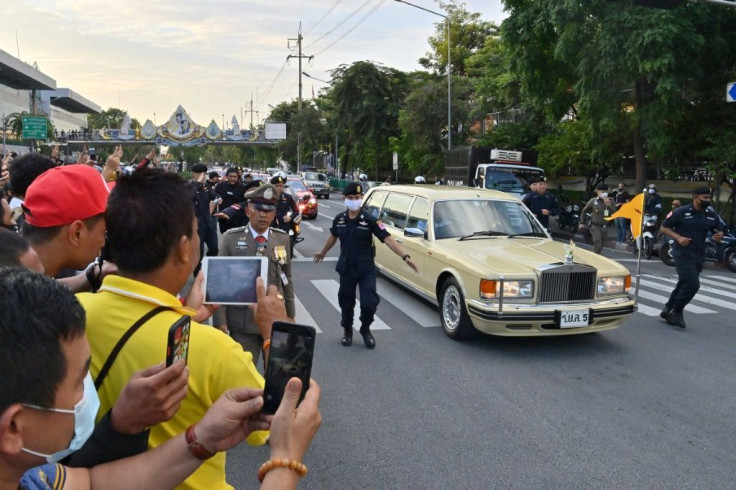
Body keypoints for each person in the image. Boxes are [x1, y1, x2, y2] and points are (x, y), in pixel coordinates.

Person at [0, 267, 322, 490]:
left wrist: (202, 438)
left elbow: (94, 483)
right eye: (79, 380)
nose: (88, 392)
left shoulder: (32, 476)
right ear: (14, 427)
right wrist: (285, 460)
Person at [77, 169, 290, 489]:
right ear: (184, 249)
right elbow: (283, 421)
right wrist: (276, 333)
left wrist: (187, 316)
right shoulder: (215, 350)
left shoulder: (68, 313)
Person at [313, 182, 418, 349]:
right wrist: (323, 252)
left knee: (369, 303)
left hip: (365, 269)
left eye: (357, 197)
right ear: (344, 198)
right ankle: (347, 330)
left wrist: (405, 256)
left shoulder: (371, 220)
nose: (354, 200)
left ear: (361, 198)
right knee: (346, 302)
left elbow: (388, 239)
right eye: (350, 198)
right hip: (347, 268)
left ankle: (365, 328)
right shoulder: (339, 219)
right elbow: (333, 236)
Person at [214, 184, 295, 365]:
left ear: (275, 214)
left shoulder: (282, 239)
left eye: (268, 210)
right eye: (258, 209)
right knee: (242, 376)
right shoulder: (231, 239)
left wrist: (290, 314)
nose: (263, 214)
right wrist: (220, 320)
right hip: (242, 323)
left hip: (275, 320)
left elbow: (286, 278)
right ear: (247, 211)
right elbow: (220, 282)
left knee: (275, 376)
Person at [659, 187, 725, 329]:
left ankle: (667, 309)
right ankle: (677, 311)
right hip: (682, 253)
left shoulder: (710, 214)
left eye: (709, 197)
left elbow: (718, 230)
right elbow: (664, 227)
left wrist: (719, 235)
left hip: (698, 254)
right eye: (705, 198)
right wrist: (678, 237)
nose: (708, 200)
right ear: (696, 197)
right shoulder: (681, 212)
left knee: (684, 282)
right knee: (693, 284)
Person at [190, 163, 220, 264]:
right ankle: (198, 273)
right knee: (199, 251)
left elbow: (215, 196)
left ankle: (207, 265)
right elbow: (190, 196)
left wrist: (218, 199)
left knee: (214, 247)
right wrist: (197, 183)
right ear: (194, 174)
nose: (202, 176)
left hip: (208, 222)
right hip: (196, 224)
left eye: (204, 174)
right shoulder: (189, 186)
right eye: (199, 174)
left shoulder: (206, 186)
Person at [580, 183, 616, 254]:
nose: (604, 193)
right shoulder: (593, 201)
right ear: (597, 192)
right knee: (598, 243)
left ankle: (593, 256)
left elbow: (615, 213)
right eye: (602, 192)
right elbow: (584, 211)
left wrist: (608, 205)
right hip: (595, 226)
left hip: (605, 227)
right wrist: (582, 222)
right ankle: (594, 260)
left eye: (605, 192)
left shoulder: (611, 202)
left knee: (600, 246)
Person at [214, 167, 247, 234]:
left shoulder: (242, 188)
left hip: (237, 218)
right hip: (223, 217)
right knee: (225, 236)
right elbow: (214, 200)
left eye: (235, 177)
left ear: (238, 177)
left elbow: (245, 203)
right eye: (230, 176)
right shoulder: (220, 186)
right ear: (226, 176)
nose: (232, 179)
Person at [270, 173, 298, 238]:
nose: (279, 188)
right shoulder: (267, 198)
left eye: (280, 186)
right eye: (276, 186)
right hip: (270, 228)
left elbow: (296, 211)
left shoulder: (287, 197)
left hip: (283, 228)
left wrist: (290, 217)